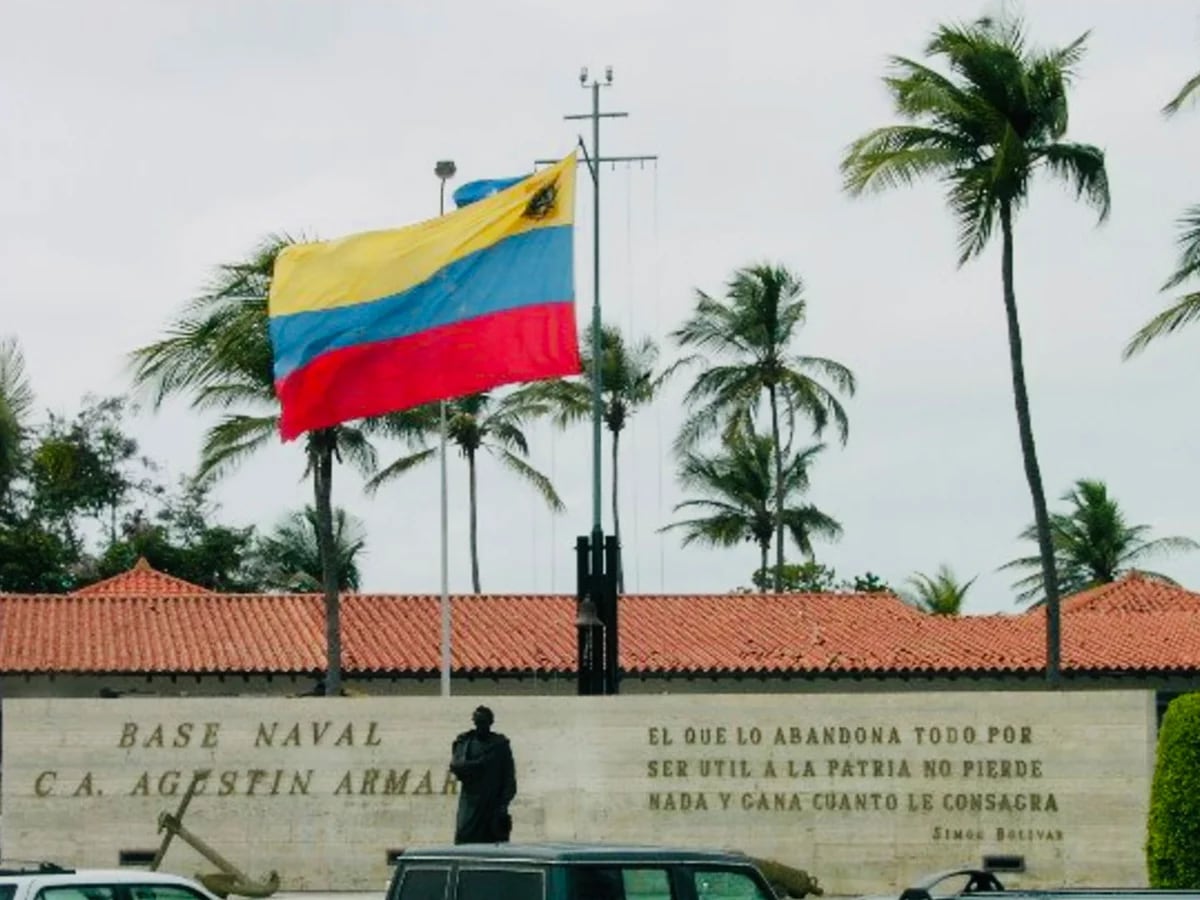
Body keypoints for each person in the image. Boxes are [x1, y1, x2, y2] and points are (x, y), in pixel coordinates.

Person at [449, 705, 517, 843]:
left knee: (493, 840)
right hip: (470, 802)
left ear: (490, 723)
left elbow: (509, 776)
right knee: (464, 835)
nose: (480, 726)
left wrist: (504, 803)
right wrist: (478, 764)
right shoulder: (465, 741)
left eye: (483, 723)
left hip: (492, 802)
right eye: (477, 722)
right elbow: (456, 766)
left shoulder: (500, 745)